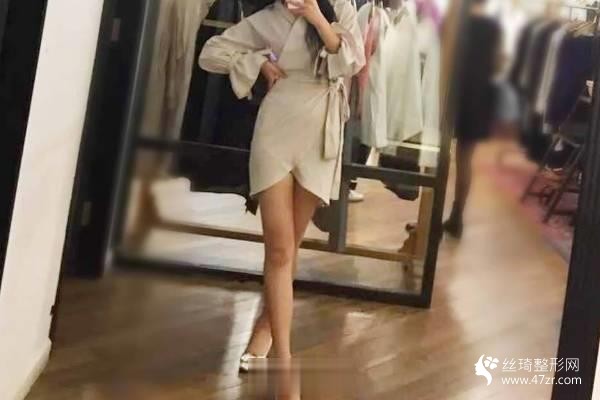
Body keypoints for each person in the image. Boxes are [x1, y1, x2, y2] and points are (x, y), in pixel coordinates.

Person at [199, 0, 365, 372]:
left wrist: (317, 17)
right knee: (278, 250)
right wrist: (257, 63)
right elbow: (211, 53)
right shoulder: (269, 18)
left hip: (319, 131)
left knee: (289, 247)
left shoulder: (342, 7)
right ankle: (284, 363)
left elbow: (352, 61)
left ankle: (265, 327)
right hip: (275, 129)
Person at [444, 0, 502, 238]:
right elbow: (497, 65)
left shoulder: (458, 22)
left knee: (439, 155)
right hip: (479, 96)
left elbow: (445, 55)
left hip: (454, 91)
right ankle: (457, 215)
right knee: (465, 159)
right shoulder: (493, 26)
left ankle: (432, 213)